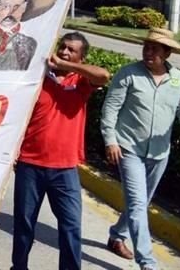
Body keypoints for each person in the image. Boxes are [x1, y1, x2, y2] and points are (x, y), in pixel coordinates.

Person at [12, 32, 109, 270]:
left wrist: (65, 66)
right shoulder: (39, 77)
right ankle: (19, 266)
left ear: (81, 58)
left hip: (64, 169)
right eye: (62, 47)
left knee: (71, 226)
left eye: (71, 50)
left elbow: (104, 76)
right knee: (24, 224)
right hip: (30, 163)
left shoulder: (82, 81)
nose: (64, 52)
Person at [102, 27, 180, 269]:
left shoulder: (179, 79)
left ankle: (117, 235)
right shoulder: (128, 74)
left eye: (155, 49)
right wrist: (110, 140)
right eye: (146, 47)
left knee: (140, 203)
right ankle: (148, 263)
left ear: (167, 53)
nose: (148, 52)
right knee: (138, 205)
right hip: (129, 150)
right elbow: (109, 109)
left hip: (160, 153)